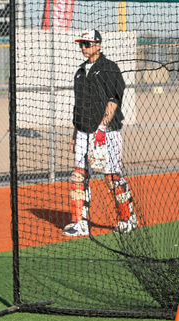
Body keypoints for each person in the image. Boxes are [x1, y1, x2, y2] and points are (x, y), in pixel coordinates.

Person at [63, 29, 137, 237]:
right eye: (81, 44)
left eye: (87, 44)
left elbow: (113, 100)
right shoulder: (80, 71)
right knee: (78, 175)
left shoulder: (109, 68)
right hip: (83, 132)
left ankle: (127, 218)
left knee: (111, 177)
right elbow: (79, 106)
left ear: (98, 45)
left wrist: (102, 128)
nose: (83, 48)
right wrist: (75, 133)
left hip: (107, 132)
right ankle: (80, 222)